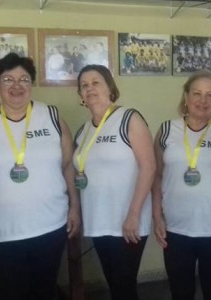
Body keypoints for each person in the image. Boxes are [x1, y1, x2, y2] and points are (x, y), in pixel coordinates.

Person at [0, 52, 81, 299]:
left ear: (32, 84)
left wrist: (74, 207)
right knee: (10, 292)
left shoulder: (51, 116)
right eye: (8, 79)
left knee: (45, 291)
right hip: (0, 230)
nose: (17, 86)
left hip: (50, 225)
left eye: (24, 79)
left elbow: (67, 165)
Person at [152, 70, 211, 300]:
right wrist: (157, 217)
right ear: (186, 97)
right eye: (197, 93)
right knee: (180, 291)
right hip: (176, 228)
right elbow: (157, 177)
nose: (202, 101)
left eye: (210, 95)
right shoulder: (166, 130)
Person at [74, 64, 155, 300]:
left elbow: (149, 167)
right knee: (115, 284)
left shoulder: (129, 118)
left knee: (123, 286)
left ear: (110, 87)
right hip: (99, 221)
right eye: (84, 85)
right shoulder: (84, 130)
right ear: (80, 95)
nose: (90, 89)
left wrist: (133, 214)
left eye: (96, 82)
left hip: (127, 222)